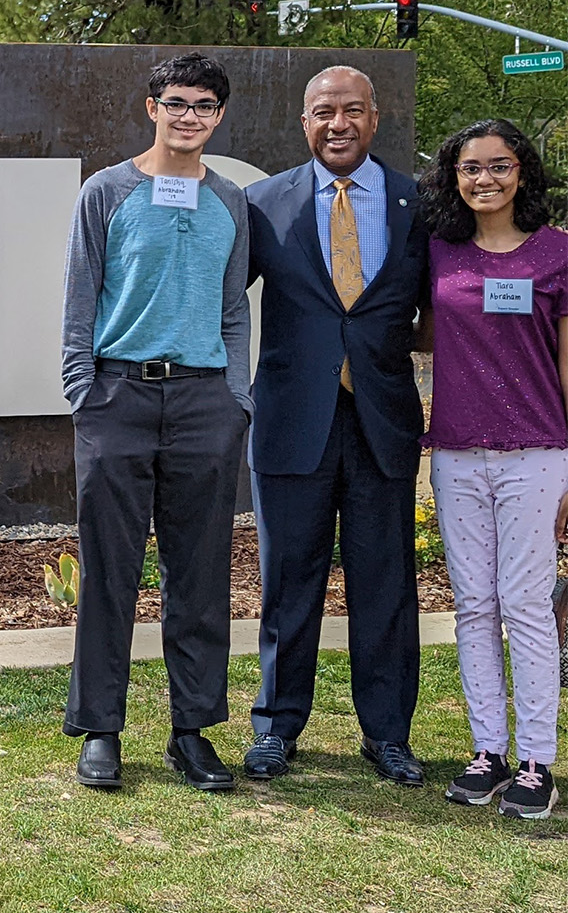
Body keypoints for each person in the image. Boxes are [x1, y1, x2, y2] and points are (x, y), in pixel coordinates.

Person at [60, 52, 252, 791]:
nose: (189, 116)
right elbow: (82, 300)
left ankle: (191, 732)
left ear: (218, 117)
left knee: (198, 573)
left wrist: (237, 393)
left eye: (204, 105)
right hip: (118, 397)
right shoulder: (107, 191)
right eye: (176, 102)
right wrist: (85, 389)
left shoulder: (231, 202)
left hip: (205, 402)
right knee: (109, 569)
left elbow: (234, 306)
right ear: (152, 108)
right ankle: (101, 729)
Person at [243, 66, 429, 786]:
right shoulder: (263, 203)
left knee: (386, 584)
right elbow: (223, 300)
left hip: (382, 421)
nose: (338, 123)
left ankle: (387, 734)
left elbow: (442, 304)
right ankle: (276, 728)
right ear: (304, 121)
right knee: (289, 584)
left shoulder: (419, 203)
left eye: (353, 110)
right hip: (292, 423)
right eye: (324, 111)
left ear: (375, 119)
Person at [417, 119, 566, 819]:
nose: (484, 178)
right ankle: (488, 752)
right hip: (455, 453)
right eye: (470, 167)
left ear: (522, 174)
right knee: (473, 604)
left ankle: (539, 760)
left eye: (499, 166)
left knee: (527, 604)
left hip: (537, 452)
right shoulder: (440, 254)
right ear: (454, 177)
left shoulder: (558, 255)